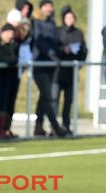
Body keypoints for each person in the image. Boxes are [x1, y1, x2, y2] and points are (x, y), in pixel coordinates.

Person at [31, 0, 68, 137]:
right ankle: (56, 126)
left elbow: (55, 42)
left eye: (51, 6)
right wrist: (52, 54)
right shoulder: (36, 22)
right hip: (40, 63)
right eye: (46, 6)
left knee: (43, 97)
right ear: (41, 8)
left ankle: (38, 126)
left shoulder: (52, 23)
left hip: (51, 65)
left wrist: (62, 50)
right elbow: (39, 41)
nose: (49, 8)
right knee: (47, 95)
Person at [55, 5, 87, 135]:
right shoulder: (58, 32)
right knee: (55, 100)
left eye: (72, 17)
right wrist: (63, 50)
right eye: (67, 17)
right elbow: (55, 48)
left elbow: (84, 50)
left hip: (72, 73)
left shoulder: (78, 33)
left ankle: (66, 125)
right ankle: (55, 126)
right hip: (58, 72)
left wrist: (79, 63)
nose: (70, 20)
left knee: (69, 101)